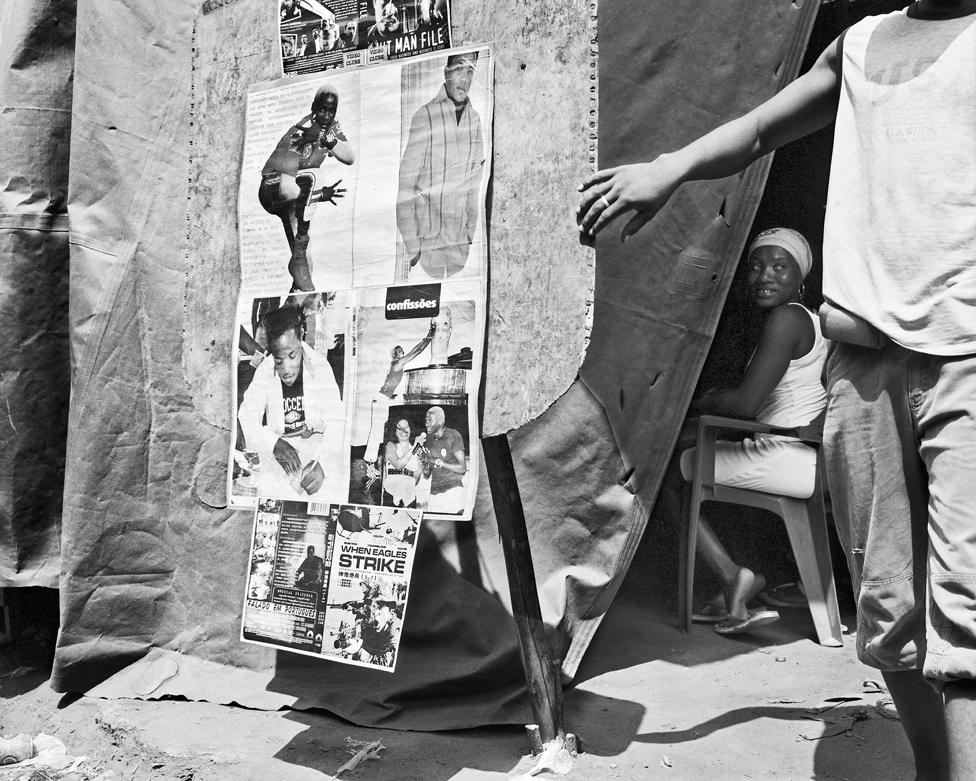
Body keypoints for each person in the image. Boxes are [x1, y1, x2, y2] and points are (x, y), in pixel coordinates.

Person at [577, 3, 975, 776]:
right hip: (864, 368)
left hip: (968, 358)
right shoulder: (862, 45)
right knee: (888, 606)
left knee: (967, 610)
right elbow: (760, 129)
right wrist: (669, 169)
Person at [670, 228, 827, 635]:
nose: (764, 276)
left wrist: (705, 399)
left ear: (801, 276)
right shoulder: (810, 320)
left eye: (779, 266)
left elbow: (745, 406)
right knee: (689, 456)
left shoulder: (787, 317)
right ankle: (734, 583)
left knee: (661, 471)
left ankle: (732, 577)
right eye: (756, 266)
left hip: (783, 455)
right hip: (797, 454)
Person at [237, 306, 345, 500]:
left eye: (292, 356)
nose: (286, 369)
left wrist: (324, 464)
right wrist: (274, 444)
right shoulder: (265, 371)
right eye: (279, 360)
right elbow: (246, 418)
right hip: (279, 463)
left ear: (301, 338)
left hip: (316, 456)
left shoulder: (320, 368)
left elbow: (338, 422)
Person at [396, 52, 485, 280]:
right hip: (427, 253)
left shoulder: (474, 120)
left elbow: (474, 188)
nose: (465, 78)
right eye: (459, 69)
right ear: (446, 72)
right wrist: (413, 250)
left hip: (459, 255)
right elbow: (405, 189)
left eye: (470, 71)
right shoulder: (425, 116)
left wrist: (468, 237)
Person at [259, 84, 355, 291]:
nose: (327, 115)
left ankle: (292, 310)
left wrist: (326, 140)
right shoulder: (298, 134)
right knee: (316, 175)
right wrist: (317, 193)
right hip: (272, 189)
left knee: (305, 268)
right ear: (313, 107)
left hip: (297, 193)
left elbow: (349, 157)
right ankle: (300, 252)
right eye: (322, 109)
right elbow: (287, 190)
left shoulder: (330, 128)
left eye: (331, 111)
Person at [363, 326, 434, 473]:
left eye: (402, 352)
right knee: (376, 433)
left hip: (383, 399)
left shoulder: (395, 365)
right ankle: (369, 464)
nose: (403, 354)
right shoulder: (397, 363)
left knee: (380, 432)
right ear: (397, 354)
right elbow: (417, 351)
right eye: (401, 352)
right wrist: (428, 337)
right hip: (381, 400)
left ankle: (373, 463)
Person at [419, 406, 466, 514]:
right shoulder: (428, 440)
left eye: (430, 420)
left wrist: (438, 462)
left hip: (452, 492)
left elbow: (462, 469)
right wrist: (425, 463)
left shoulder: (453, 435)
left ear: (441, 421)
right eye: (425, 420)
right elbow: (427, 474)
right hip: (434, 494)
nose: (426, 423)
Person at [383, 419, 422, 507]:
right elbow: (398, 465)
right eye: (399, 428)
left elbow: (418, 474)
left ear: (410, 429)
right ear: (395, 432)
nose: (403, 431)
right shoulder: (390, 446)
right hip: (390, 495)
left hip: (410, 497)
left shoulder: (417, 449)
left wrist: (408, 488)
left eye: (406, 427)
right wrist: (414, 448)